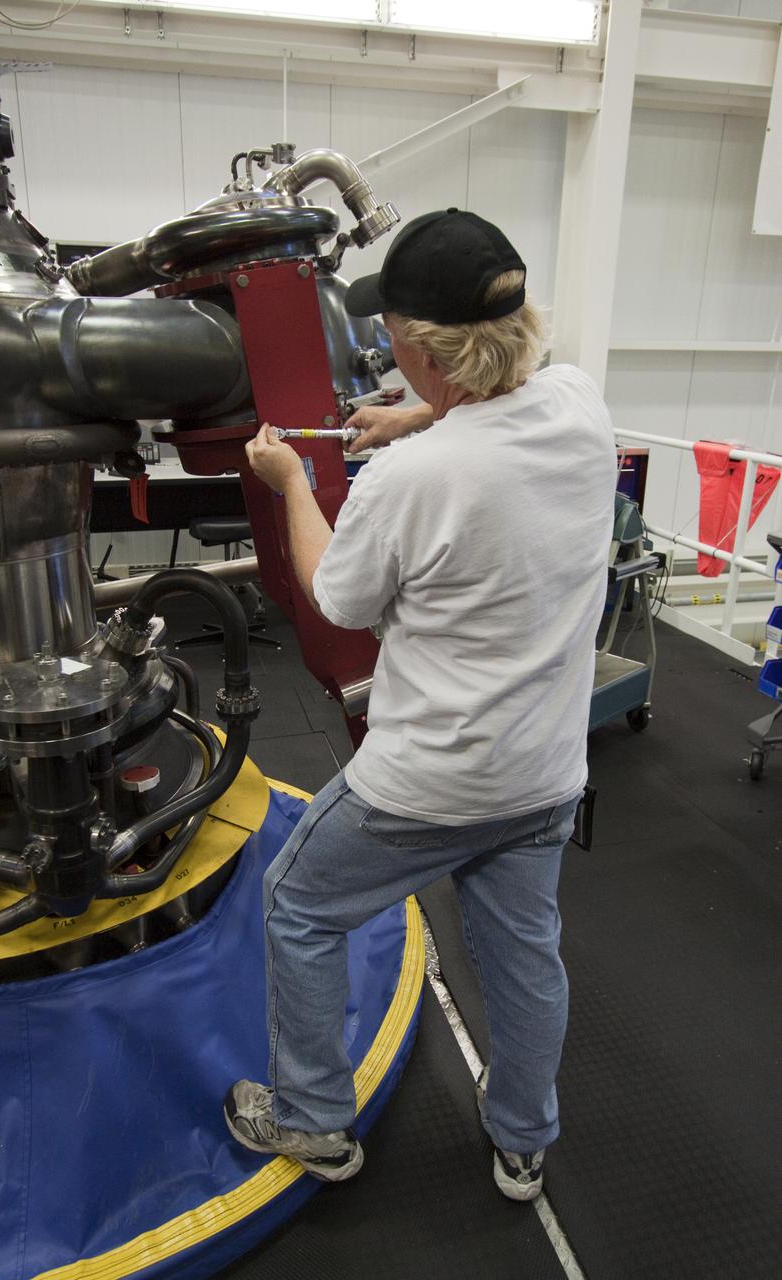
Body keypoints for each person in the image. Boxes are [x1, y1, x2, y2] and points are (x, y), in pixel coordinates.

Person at [224, 208, 617, 1200]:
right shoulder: (579, 403)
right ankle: (524, 1138)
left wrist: (290, 483)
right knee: (525, 958)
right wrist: (416, 413)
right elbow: (499, 404)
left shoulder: (413, 480)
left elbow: (334, 595)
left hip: (426, 785)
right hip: (543, 773)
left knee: (299, 902)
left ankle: (315, 1122)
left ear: (419, 352)